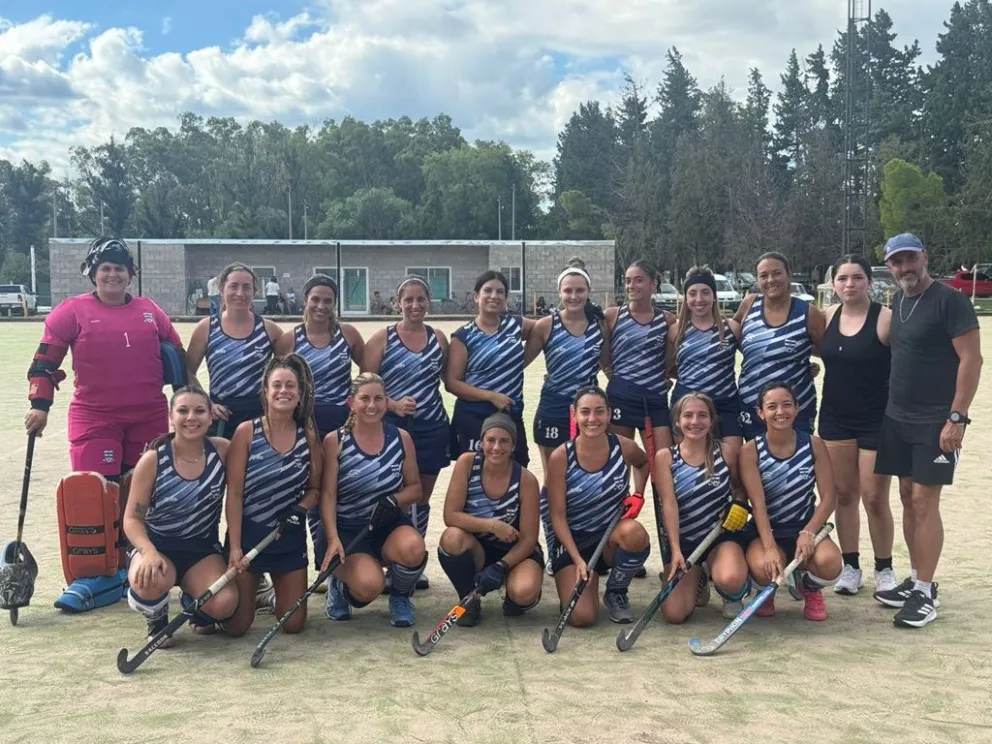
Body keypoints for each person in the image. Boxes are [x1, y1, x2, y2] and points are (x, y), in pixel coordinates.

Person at [24, 237, 183, 608]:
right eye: (105, 269)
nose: (113, 275)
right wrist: (40, 405)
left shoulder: (150, 311)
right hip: (95, 415)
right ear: (92, 274)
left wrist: (188, 399)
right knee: (95, 492)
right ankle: (96, 571)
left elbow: (176, 358)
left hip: (148, 414)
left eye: (119, 268)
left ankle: (134, 561)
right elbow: (45, 361)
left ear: (131, 274)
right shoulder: (71, 312)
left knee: (141, 490)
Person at [872, 233, 982, 628]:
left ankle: (923, 590)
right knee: (905, 495)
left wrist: (957, 417)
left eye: (910, 259)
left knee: (923, 501)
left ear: (925, 257)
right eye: (897, 262)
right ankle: (920, 579)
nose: (905, 268)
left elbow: (972, 361)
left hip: (937, 421)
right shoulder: (898, 300)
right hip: (897, 418)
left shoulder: (950, 301)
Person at [122, 386, 239, 644]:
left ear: (211, 417)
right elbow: (131, 519)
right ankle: (156, 618)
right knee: (149, 579)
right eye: (183, 411)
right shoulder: (154, 459)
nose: (191, 418)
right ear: (170, 416)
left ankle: (193, 602)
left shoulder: (222, 451)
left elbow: (239, 495)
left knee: (225, 604)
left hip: (201, 549)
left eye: (199, 411)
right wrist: (148, 552)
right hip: (158, 545)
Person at [222, 354, 323, 637]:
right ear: (265, 391)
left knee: (292, 624)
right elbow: (235, 495)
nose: (283, 391)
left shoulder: (309, 435)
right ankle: (252, 593)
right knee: (236, 627)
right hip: (249, 537)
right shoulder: (246, 433)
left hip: (287, 537)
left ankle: (271, 596)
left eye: (290, 386)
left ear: (300, 394)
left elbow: (315, 489)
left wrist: (300, 509)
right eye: (276, 385)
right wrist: (234, 547)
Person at [319, 373, 427, 627]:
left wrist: (394, 499)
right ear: (351, 403)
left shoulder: (402, 438)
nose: (372, 405)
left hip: (386, 525)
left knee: (413, 548)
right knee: (370, 586)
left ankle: (400, 596)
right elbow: (327, 495)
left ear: (387, 401)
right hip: (347, 530)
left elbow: (415, 489)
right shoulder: (335, 441)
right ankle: (340, 586)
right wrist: (333, 538)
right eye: (364, 398)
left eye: (379, 398)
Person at [816, 254, 896, 596]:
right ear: (833, 284)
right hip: (835, 418)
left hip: (876, 420)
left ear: (870, 282)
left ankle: (885, 568)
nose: (850, 284)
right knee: (844, 495)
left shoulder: (886, 319)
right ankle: (851, 566)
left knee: (875, 498)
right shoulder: (825, 318)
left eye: (857, 277)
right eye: (843, 278)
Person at [275, 274, 364, 575]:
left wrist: (356, 409)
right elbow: (278, 385)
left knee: (338, 490)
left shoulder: (348, 335)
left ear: (335, 303)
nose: (321, 306)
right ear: (305, 301)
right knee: (311, 491)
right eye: (316, 299)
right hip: (305, 425)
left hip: (341, 424)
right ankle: (318, 561)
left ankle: (339, 560)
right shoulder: (290, 340)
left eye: (328, 300)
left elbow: (368, 377)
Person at [364, 276, 451, 575]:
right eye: (408, 300)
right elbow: (365, 386)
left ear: (429, 302)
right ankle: (387, 557)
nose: (415, 305)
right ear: (397, 303)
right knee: (392, 495)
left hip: (432, 429)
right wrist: (393, 404)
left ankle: (412, 563)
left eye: (421, 299)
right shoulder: (383, 338)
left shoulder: (439, 337)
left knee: (420, 498)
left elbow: (450, 380)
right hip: (391, 431)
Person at [545, 386, 651, 625]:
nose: (592, 419)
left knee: (634, 534)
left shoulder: (623, 446)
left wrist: (638, 493)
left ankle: (616, 590)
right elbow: (558, 517)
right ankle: (581, 578)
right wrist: (578, 559)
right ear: (574, 415)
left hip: (608, 540)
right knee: (582, 618)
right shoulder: (561, 456)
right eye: (585, 412)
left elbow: (644, 463)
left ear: (609, 414)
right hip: (573, 543)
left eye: (599, 411)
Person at [738, 382, 842, 621]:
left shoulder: (814, 444)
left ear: (797, 408)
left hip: (803, 528)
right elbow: (758, 504)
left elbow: (828, 498)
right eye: (771, 406)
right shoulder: (750, 450)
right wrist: (770, 547)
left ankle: (810, 588)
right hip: (767, 530)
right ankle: (767, 590)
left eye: (787, 405)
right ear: (760, 413)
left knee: (830, 563)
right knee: (763, 568)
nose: (780, 412)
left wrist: (808, 532)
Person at [437, 413, 543, 626]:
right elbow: (451, 515)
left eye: (504, 441)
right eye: (490, 440)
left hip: (515, 553)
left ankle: (514, 598)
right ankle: (469, 599)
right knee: (451, 537)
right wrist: (492, 526)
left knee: (523, 592)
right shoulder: (467, 463)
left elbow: (529, 540)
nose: (496, 447)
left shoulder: (526, 480)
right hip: (477, 546)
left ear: (513, 446)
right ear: (481, 442)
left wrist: (501, 566)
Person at [656, 393, 751, 622]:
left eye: (702, 416)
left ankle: (733, 593)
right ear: (677, 421)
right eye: (688, 416)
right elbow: (668, 505)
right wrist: (676, 549)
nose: (695, 422)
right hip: (686, 542)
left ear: (711, 421)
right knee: (674, 614)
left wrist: (738, 503)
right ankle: (698, 577)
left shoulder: (727, 452)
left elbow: (741, 487)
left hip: (720, 537)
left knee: (730, 578)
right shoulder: (666, 457)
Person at [524, 258, 607, 476]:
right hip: (553, 406)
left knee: (586, 473)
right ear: (559, 293)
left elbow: (609, 367)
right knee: (554, 476)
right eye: (568, 291)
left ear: (589, 291)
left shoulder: (599, 326)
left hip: (588, 409)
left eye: (580, 290)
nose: (573, 296)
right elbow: (519, 364)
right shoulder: (546, 326)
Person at [446, 271, 534, 466]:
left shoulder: (516, 325)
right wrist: (491, 396)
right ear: (476, 296)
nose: (494, 296)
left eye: (500, 292)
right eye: (488, 290)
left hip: (510, 411)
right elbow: (452, 383)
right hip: (474, 413)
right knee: (474, 471)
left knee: (517, 469)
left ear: (505, 298)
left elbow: (547, 330)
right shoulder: (464, 335)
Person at [186, 264, 283, 438]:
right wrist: (206, 403)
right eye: (233, 286)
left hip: (259, 417)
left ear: (255, 290)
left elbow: (290, 373)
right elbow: (188, 372)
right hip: (221, 416)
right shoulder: (206, 328)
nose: (240, 293)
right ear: (222, 288)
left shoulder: (270, 330)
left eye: (246, 287)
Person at [734, 252, 824, 440]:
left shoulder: (809, 314)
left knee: (795, 465)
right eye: (763, 275)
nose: (770, 280)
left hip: (795, 409)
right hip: (752, 406)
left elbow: (829, 352)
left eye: (776, 273)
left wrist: (803, 361)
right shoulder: (749, 305)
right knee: (755, 465)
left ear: (788, 274)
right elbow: (733, 339)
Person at [669, 267, 744, 480]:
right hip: (686, 407)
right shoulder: (677, 330)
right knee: (689, 469)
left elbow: (757, 359)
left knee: (732, 468)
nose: (699, 299)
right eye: (692, 293)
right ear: (685, 297)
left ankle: (731, 512)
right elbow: (666, 366)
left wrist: (807, 366)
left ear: (714, 296)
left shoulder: (731, 328)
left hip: (725, 405)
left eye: (705, 292)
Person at [604, 259, 675, 460]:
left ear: (653, 284)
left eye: (638, 280)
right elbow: (599, 349)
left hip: (655, 399)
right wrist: (609, 372)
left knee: (663, 461)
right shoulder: (612, 316)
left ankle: (658, 493)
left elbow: (671, 358)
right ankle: (627, 494)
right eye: (628, 281)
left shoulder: (667, 320)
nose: (631, 286)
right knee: (619, 462)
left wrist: (665, 375)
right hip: (621, 396)